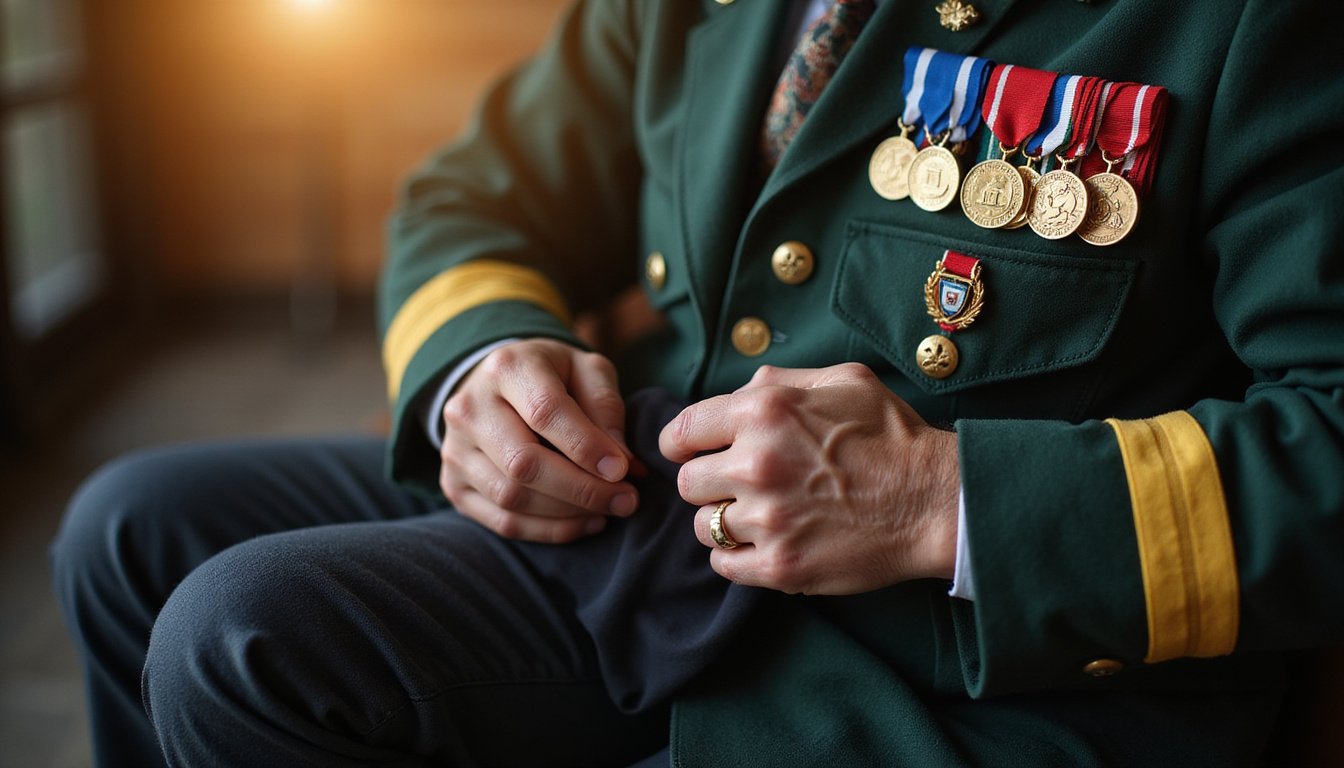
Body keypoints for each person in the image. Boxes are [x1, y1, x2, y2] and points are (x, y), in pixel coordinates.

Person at [51, 0, 1344, 765]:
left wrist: (938, 498)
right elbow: (478, 194)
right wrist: (477, 373)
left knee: (246, 639)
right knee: (131, 533)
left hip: (961, 668)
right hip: (660, 518)